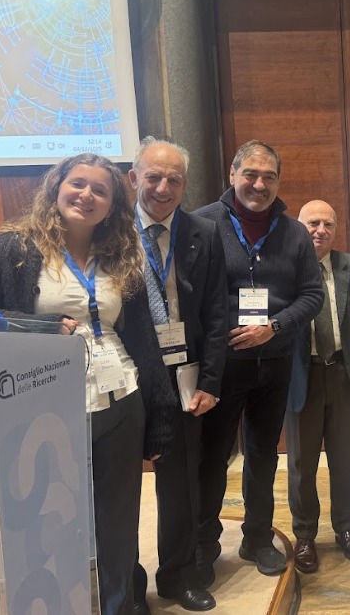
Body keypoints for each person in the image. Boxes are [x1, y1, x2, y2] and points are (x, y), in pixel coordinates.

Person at [0, 153, 178, 615]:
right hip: (45, 406)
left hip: (121, 398)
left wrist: (161, 414)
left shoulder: (120, 257)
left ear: (112, 206)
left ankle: (120, 606)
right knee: (53, 525)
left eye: (100, 190)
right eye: (77, 184)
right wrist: (39, 326)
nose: (86, 195)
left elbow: (143, 340)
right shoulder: (12, 248)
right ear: (56, 188)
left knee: (118, 523)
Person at [194, 140, 324, 584]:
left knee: (264, 455)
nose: (259, 184)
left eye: (269, 176)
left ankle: (256, 538)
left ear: (278, 182)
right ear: (232, 174)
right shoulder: (203, 224)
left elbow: (313, 295)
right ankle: (204, 543)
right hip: (221, 365)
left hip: (275, 361)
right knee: (213, 456)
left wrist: (275, 326)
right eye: (250, 174)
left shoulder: (294, 233)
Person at [129, 138, 227, 613]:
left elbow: (216, 311)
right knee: (120, 487)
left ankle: (177, 575)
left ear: (185, 184)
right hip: (126, 376)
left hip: (184, 374)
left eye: (174, 179)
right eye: (153, 177)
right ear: (134, 178)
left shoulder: (203, 232)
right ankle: (127, 585)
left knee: (181, 484)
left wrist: (210, 380)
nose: (163, 188)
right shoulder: (110, 232)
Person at [283, 199, 350, 574]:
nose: (321, 230)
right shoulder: (285, 269)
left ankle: (345, 528)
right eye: (313, 223)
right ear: (299, 227)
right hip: (302, 379)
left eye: (328, 224)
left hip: (344, 376)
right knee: (302, 464)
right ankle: (304, 535)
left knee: (344, 460)